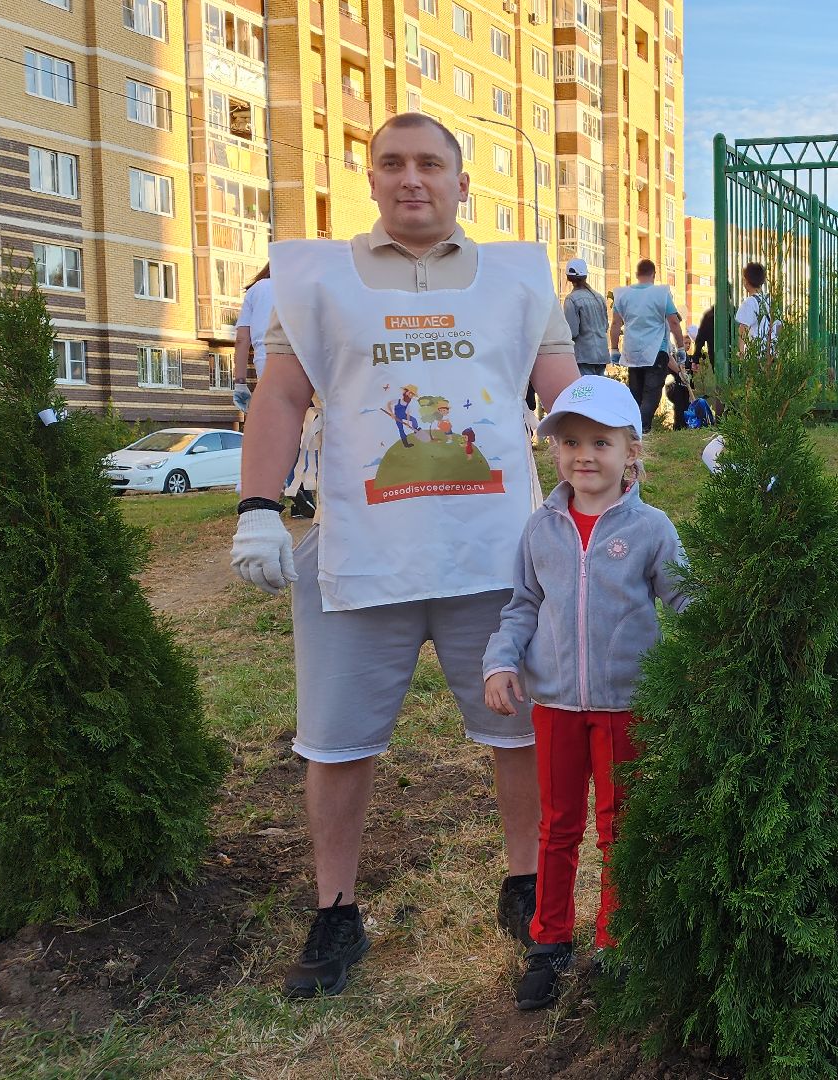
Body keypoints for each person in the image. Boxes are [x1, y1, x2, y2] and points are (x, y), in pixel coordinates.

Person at [229, 112, 584, 1001]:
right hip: (359, 555)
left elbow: (567, 401)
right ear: (372, 179)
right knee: (337, 743)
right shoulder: (312, 281)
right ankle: (336, 909)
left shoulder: (517, 277)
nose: (412, 179)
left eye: (432, 164)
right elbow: (278, 398)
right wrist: (258, 510)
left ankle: (527, 882)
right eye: (393, 164)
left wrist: (609, 497)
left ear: (464, 183)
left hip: (496, 557)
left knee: (520, 728)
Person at [480, 375, 687, 1010]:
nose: (584, 456)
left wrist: (721, 631)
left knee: (620, 829)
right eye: (570, 442)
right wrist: (499, 662)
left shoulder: (651, 529)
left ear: (633, 452)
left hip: (628, 707)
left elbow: (683, 598)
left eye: (601, 441)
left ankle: (618, 942)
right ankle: (549, 939)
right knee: (558, 826)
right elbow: (522, 606)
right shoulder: (540, 529)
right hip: (556, 708)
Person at [607, 258, 689, 433]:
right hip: (655, 351)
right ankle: (641, 429)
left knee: (635, 394)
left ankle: (633, 430)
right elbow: (674, 322)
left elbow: (615, 325)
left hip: (632, 352)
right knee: (651, 393)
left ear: (637, 275)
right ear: (654, 274)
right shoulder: (661, 294)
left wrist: (614, 349)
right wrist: (681, 348)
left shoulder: (623, 295)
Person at [231, 264, 273, 422]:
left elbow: (242, 339)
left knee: (273, 423)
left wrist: (240, 383)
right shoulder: (300, 285)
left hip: (267, 364)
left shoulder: (257, 289)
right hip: (303, 361)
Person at [562, 257, 611, 380]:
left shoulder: (571, 299)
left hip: (584, 356)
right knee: (598, 392)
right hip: (601, 354)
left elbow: (572, 332)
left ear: (569, 278)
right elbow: (605, 326)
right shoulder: (599, 297)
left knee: (587, 393)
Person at [734, 261, 781, 347]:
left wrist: (741, 356)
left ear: (746, 281)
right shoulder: (771, 301)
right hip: (772, 355)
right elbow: (778, 327)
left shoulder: (749, 303)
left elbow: (743, 330)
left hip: (756, 355)